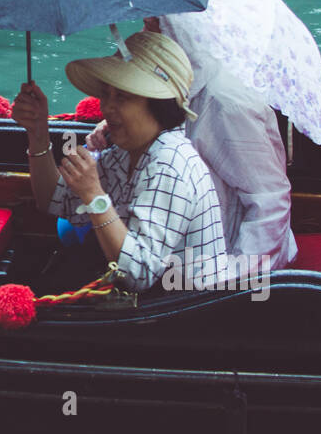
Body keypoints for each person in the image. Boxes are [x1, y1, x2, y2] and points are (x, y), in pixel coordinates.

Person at [12, 30, 227, 293]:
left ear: (158, 105)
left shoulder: (169, 163)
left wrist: (94, 195)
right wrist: (37, 132)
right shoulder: (125, 152)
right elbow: (54, 200)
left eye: (122, 97)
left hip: (176, 316)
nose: (107, 107)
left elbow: (139, 274)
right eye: (107, 94)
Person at [87, 18, 296, 270]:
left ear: (182, 31)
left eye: (153, 27)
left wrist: (236, 283)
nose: (142, 34)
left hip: (226, 261)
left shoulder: (227, 103)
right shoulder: (165, 91)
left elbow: (269, 201)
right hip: (168, 241)